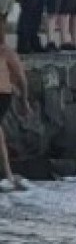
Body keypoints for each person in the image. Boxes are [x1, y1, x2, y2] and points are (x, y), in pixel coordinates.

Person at [0, 39, 30, 192]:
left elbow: (22, 78)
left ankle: (9, 175)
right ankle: (8, 175)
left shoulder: (6, 52)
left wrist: (24, 100)